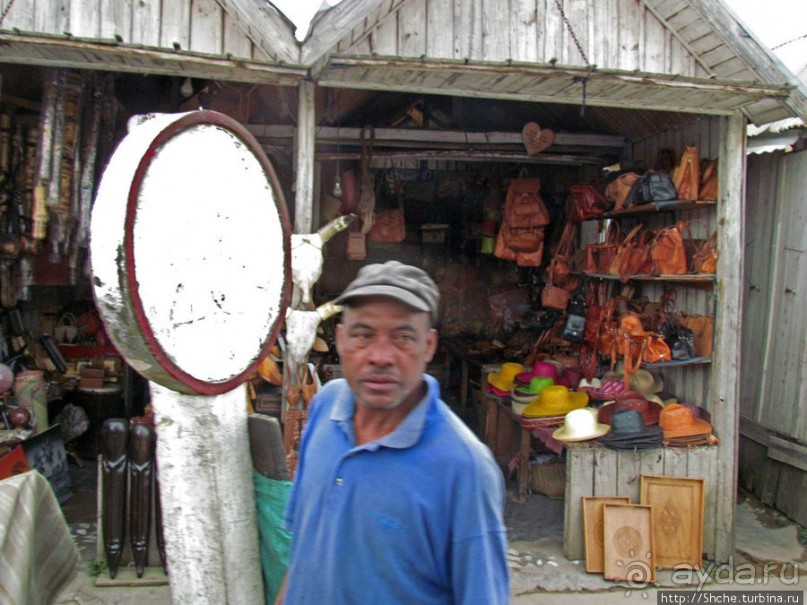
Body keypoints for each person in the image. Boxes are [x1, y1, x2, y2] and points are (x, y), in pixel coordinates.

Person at [277, 261, 509, 604]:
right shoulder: (325, 407)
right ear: (340, 339)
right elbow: (305, 552)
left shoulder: (465, 467)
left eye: (403, 337)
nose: (380, 356)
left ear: (429, 346)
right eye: (363, 335)